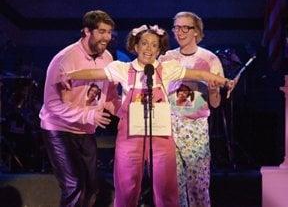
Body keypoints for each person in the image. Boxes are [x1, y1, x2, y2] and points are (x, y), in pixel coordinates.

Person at [62, 24, 232, 207]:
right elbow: (96, 73)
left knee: (166, 189)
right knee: (126, 188)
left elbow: (198, 73)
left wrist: (223, 81)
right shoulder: (122, 68)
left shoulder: (166, 69)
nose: (149, 48)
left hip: (160, 137)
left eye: (154, 45)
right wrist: (70, 75)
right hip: (130, 137)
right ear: (136, 46)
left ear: (159, 50)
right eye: (144, 43)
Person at [39, 10, 120, 207]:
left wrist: (127, 113)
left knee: (92, 186)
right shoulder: (64, 59)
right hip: (59, 130)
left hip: (86, 130)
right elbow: (52, 105)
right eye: (101, 31)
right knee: (74, 185)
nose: (107, 37)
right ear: (86, 31)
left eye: (109, 32)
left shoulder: (107, 58)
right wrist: (87, 115)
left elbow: (109, 95)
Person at [158, 11, 225, 207]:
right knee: (174, 185)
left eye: (185, 27)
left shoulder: (209, 59)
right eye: (176, 27)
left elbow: (215, 103)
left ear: (196, 31)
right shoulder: (167, 58)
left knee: (198, 184)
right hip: (169, 125)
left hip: (195, 128)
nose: (180, 32)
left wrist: (213, 91)